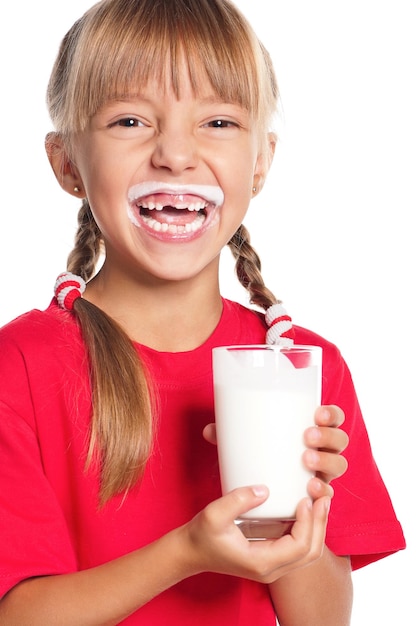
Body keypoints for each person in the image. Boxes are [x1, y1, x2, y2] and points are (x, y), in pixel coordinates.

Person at [0, 0, 405, 624]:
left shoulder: (304, 368)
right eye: (130, 121)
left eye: (217, 122)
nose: (176, 154)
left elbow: (321, 619)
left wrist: (289, 519)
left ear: (261, 161)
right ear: (66, 164)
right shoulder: (20, 365)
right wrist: (186, 552)